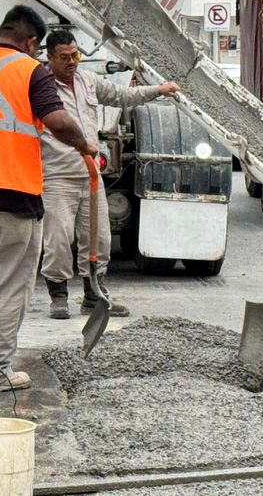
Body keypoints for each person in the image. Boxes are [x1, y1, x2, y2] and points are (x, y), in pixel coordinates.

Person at [0, 5, 95, 393]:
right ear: (30, 41)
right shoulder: (32, 71)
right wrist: (85, 145)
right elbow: (58, 121)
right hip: (12, 195)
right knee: (7, 286)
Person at [39, 28, 179, 320]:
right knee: (58, 239)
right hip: (56, 176)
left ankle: (95, 294)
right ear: (49, 58)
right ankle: (59, 296)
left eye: (75, 55)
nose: (72, 62)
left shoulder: (88, 81)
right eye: (64, 57)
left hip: (90, 177)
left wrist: (157, 90)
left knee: (98, 239)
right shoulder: (41, 87)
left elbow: (121, 95)